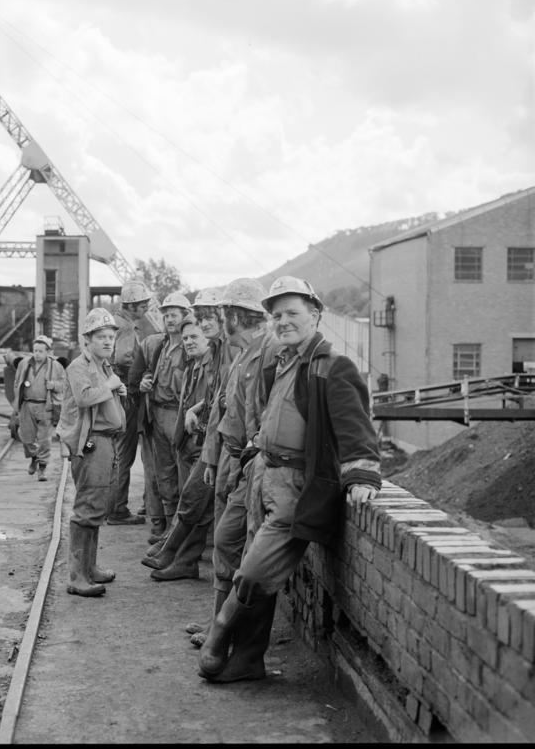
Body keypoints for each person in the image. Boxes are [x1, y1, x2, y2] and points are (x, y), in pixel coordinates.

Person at [198, 276, 382, 682]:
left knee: (253, 573)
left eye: (292, 313)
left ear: (315, 314)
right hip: (263, 472)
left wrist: (362, 474)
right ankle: (248, 660)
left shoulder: (333, 366)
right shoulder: (283, 361)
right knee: (250, 564)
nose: (282, 321)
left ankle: (219, 632)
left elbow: (355, 428)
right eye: (276, 315)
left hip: (296, 486)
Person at [188, 278, 275, 647]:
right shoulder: (241, 355)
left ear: (236, 316)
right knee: (225, 544)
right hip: (231, 460)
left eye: (223, 312)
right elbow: (225, 414)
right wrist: (213, 458)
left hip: (253, 467)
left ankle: (233, 638)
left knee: (241, 550)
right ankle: (217, 624)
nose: (218, 319)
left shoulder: (269, 354)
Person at [56, 308, 127, 597]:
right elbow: (85, 397)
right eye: (101, 337)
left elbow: (106, 402)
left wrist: (119, 394)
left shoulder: (104, 366)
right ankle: (77, 577)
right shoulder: (79, 367)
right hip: (90, 443)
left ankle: (90, 568)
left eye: (111, 337)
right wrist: (109, 386)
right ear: (88, 339)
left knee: (96, 506)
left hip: (105, 441)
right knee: (86, 508)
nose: (108, 341)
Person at [142, 315, 216, 581]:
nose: (188, 342)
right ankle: (183, 559)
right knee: (196, 506)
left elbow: (214, 405)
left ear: (209, 338)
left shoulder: (213, 368)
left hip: (203, 446)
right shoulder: (194, 366)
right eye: (185, 338)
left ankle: (176, 554)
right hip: (188, 445)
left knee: (194, 504)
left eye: (194, 337)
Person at [128, 292, 191, 542]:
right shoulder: (158, 346)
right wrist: (143, 382)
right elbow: (136, 377)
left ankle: (180, 530)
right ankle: (165, 527)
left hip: (179, 416)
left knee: (182, 475)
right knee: (162, 475)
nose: (168, 319)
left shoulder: (191, 346)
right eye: (165, 315)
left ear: (185, 316)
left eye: (173, 314)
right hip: (157, 414)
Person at [106, 280, 154, 525]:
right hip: (127, 395)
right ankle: (117, 510)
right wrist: (144, 368)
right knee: (124, 454)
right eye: (144, 304)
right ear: (133, 305)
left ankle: (112, 506)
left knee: (118, 453)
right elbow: (125, 359)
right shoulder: (125, 327)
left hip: (117, 395)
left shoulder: (119, 323)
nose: (146, 308)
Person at [9, 335, 65, 481]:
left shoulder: (56, 366)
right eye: (35, 350)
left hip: (46, 406)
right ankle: (34, 457)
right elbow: (16, 382)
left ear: (48, 352)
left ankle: (42, 469)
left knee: (44, 440)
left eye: (40, 351)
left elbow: (65, 385)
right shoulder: (24, 364)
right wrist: (17, 402)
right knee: (26, 438)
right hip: (27, 405)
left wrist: (54, 386)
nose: (37, 354)